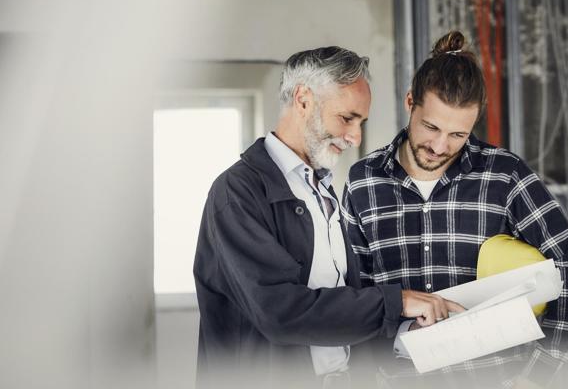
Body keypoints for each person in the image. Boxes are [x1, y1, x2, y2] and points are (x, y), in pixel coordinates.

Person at [193, 46, 462, 388]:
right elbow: (279, 312)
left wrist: (406, 329)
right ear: (303, 100)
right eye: (347, 118)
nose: (355, 137)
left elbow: (334, 311)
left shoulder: (321, 192)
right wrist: (398, 302)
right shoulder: (237, 192)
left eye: (361, 122)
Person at [342, 32, 568, 388]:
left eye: (458, 135)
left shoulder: (505, 175)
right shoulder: (363, 182)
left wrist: (537, 375)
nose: (440, 146)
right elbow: (357, 295)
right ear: (410, 101)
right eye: (431, 127)